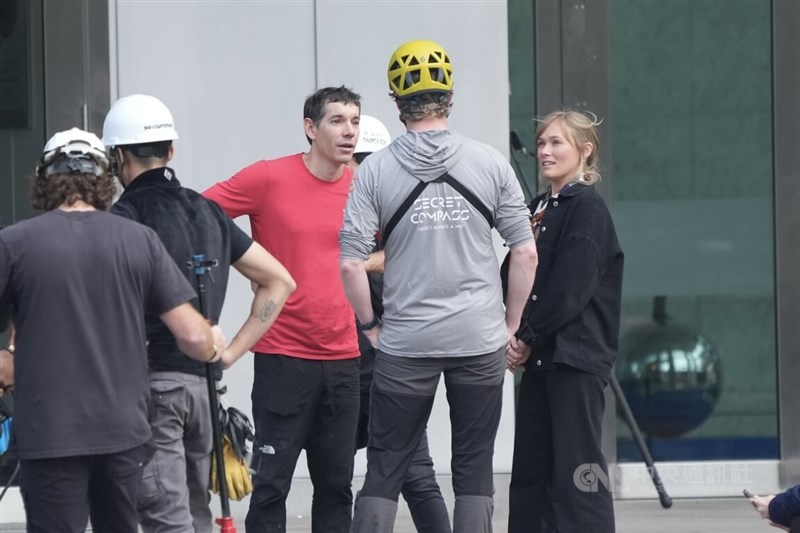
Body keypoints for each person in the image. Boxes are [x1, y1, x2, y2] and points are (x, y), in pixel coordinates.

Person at [340, 39, 538, 532]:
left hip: (406, 343)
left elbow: (349, 265)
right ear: (450, 97)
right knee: (474, 471)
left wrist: (370, 328)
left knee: (385, 468)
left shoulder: (376, 170)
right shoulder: (490, 162)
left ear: (395, 100)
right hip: (479, 339)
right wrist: (509, 324)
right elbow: (526, 250)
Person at [0, 128, 223, 532]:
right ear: (106, 178)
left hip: (49, 432)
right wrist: (214, 344)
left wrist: (9, 363)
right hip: (124, 432)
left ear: (43, 179)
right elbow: (193, 337)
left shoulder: (14, 244)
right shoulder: (139, 240)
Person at [102, 94, 296, 533]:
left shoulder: (125, 216)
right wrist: (230, 353)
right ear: (170, 151)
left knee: (163, 518)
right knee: (194, 515)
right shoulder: (209, 211)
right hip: (203, 390)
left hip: (152, 391)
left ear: (117, 156)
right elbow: (280, 281)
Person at [203, 85, 362, 533]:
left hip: (345, 357)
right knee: (271, 485)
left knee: (336, 487)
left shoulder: (364, 184)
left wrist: (362, 262)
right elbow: (197, 214)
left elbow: (395, 249)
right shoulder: (268, 177)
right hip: (283, 357)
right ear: (310, 128)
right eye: (337, 120)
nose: (349, 131)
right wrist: (250, 266)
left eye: (354, 121)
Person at [505, 110, 624, 533]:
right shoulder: (540, 207)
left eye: (556, 143)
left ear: (585, 150)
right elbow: (514, 272)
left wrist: (525, 335)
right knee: (533, 472)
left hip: (575, 360)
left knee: (580, 476)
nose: (544, 151)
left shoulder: (587, 207)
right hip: (541, 360)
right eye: (541, 143)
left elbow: (570, 287)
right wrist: (514, 333)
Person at [348, 114, 452, 533]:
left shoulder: (401, 206)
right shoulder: (343, 210)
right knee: (337, 473)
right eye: (360, 159)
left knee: (414, 474)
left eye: (371, 158)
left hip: (387, 360)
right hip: (342, 362)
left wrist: (359, 263)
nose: (365, 167)